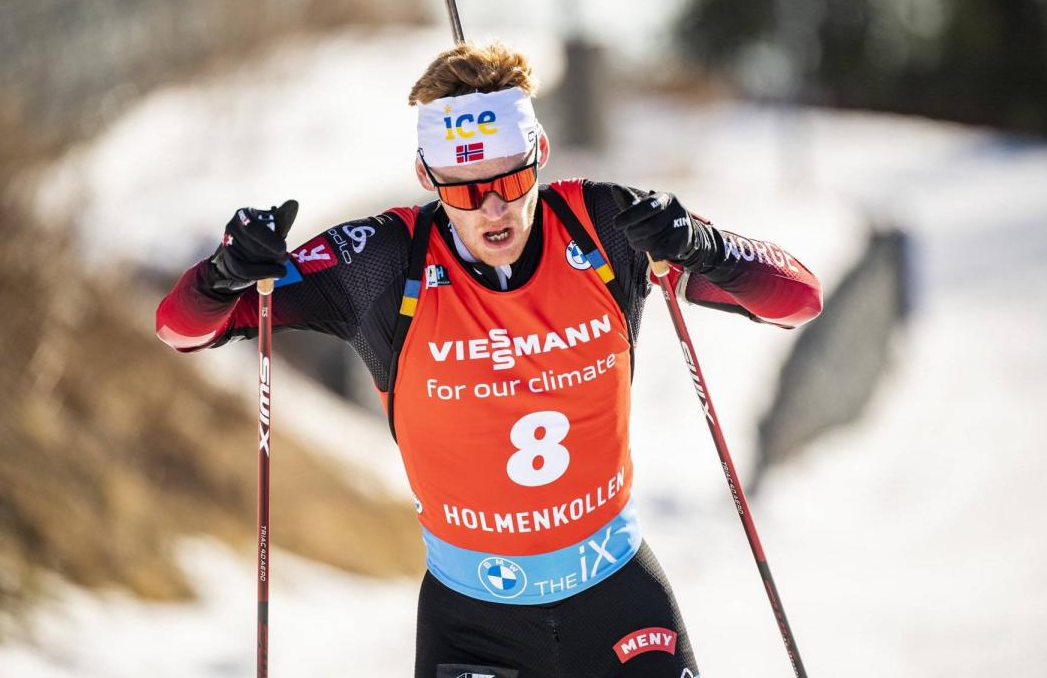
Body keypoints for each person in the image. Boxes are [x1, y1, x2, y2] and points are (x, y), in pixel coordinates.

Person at [156, 41, 823, 677]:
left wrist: (703, 245)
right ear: (426, 176)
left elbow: (799, 298)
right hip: (474, 622)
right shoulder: (382, 262)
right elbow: (182, 328)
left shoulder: (604, 225)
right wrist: (224, 273)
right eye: (465, 190)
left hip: (617, 598)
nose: (493, 207)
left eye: (511, 178)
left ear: (541, 152)